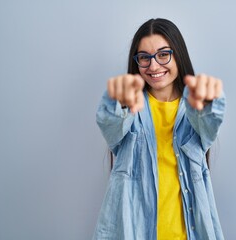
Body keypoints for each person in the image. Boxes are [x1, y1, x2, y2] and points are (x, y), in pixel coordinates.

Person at [93, 18, 225, 240]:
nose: (153, 66)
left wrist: (211, 101)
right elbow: (110, 123)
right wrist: (117, 101)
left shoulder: (195, 110)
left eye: (163, 54)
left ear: (178, 54)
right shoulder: (128, 109)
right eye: (144, 57)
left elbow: (210, 121)